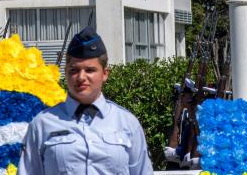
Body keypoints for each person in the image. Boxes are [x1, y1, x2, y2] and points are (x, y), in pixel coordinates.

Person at [17, 26, 154, 175]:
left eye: (89, 70)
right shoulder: (42, 124)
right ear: (66, 73)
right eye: (74, 70)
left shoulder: (127, 123)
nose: (81, 77)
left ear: (105, 74)